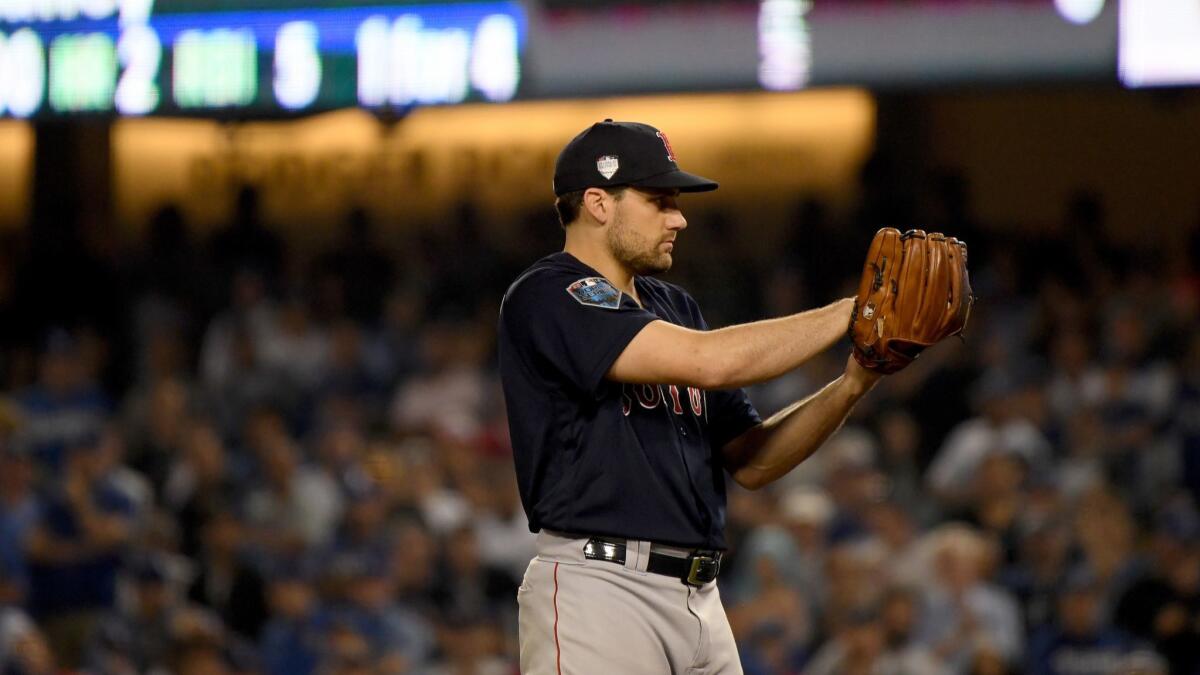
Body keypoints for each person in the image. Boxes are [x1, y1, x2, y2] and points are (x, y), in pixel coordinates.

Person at [497, 119, 886, 674]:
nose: (678, 217)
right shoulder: (548, 294)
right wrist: (854, 311)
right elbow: (711, 361)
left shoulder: (675, 308)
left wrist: (855, 381)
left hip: (700, 597)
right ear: (598, 203)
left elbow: (752, 461)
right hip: (601, 592)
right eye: (659, 200)